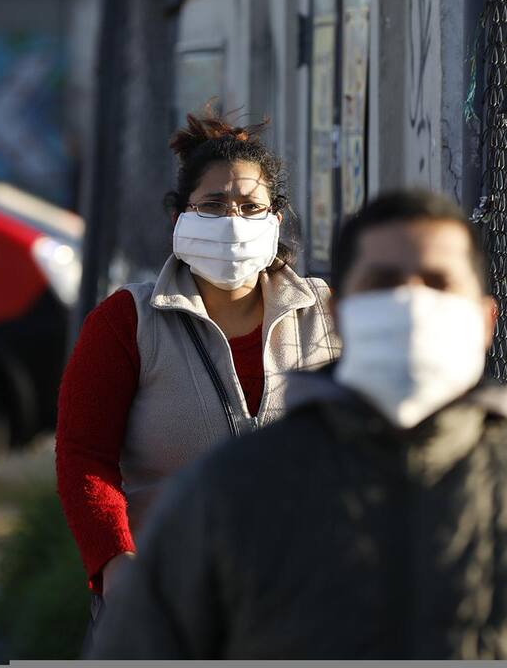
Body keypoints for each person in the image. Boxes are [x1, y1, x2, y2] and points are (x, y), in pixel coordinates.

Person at [89, 189, 507, 660]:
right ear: (341, 313)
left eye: (437, 283)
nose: (410, 304)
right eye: (384, 283)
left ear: (485, 320)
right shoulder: (228, 499)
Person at [55, 113, 341, 633]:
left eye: (250, 207)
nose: (232, 221)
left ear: (275, 221)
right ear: (178, 219)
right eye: (212, 206)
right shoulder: (126, 322)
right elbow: (83, 455)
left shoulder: (327, 314)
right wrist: (116, 562)